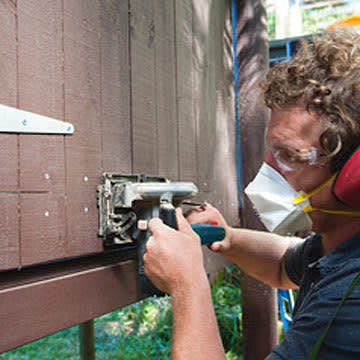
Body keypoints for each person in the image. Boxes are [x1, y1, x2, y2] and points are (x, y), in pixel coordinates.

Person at [143, 29, 360, 359]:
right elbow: (284, 264)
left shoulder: (349, 306)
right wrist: (227, 239)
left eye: (289, 156)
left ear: (353, 178)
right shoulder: (341, 247)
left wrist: (187, 285)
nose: (269, 168)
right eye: (272, 150)